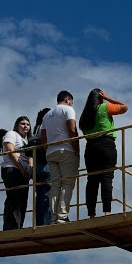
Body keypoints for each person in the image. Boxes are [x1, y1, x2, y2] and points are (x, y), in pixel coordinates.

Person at [79, 89, 128, 218]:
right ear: (101, 98)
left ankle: (91, 213)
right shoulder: (105, 107)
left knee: (92, 180)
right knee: (107, 178)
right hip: (106, 144)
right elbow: (124, 107)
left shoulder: (84, 115)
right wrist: (108, 98)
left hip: (90, 148)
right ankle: (107, 211)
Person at [40, 91, 79, 224]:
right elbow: (73, 130)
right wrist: (76, 149)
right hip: (66, 150)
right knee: (67, 183)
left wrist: (48, 149)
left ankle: (54, 217)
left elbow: (43, 137)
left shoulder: (46, 115)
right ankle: (62, 216)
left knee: (55, 184)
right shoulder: (68, 109)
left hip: (51, 152)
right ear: (68, 100)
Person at [1, 117, 32, 230]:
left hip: (22, 173)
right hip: (12, 169)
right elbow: (10, 150)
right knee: (14, 200)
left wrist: (28, 171)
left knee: (22, 202)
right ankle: (10, 229)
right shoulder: (12, 134)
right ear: (17, 125)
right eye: (22, 123)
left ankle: (18, 227)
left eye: (28, 124)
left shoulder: (26, 141)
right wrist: (22, 169)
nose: (25, 126)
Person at [31, 108, 52, 226]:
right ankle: (46, 222)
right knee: (46, 195)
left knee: (41, 195)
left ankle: (41, 222)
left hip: (37, 164)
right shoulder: (45, 126)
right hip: (44, 164)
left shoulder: (36, 128)